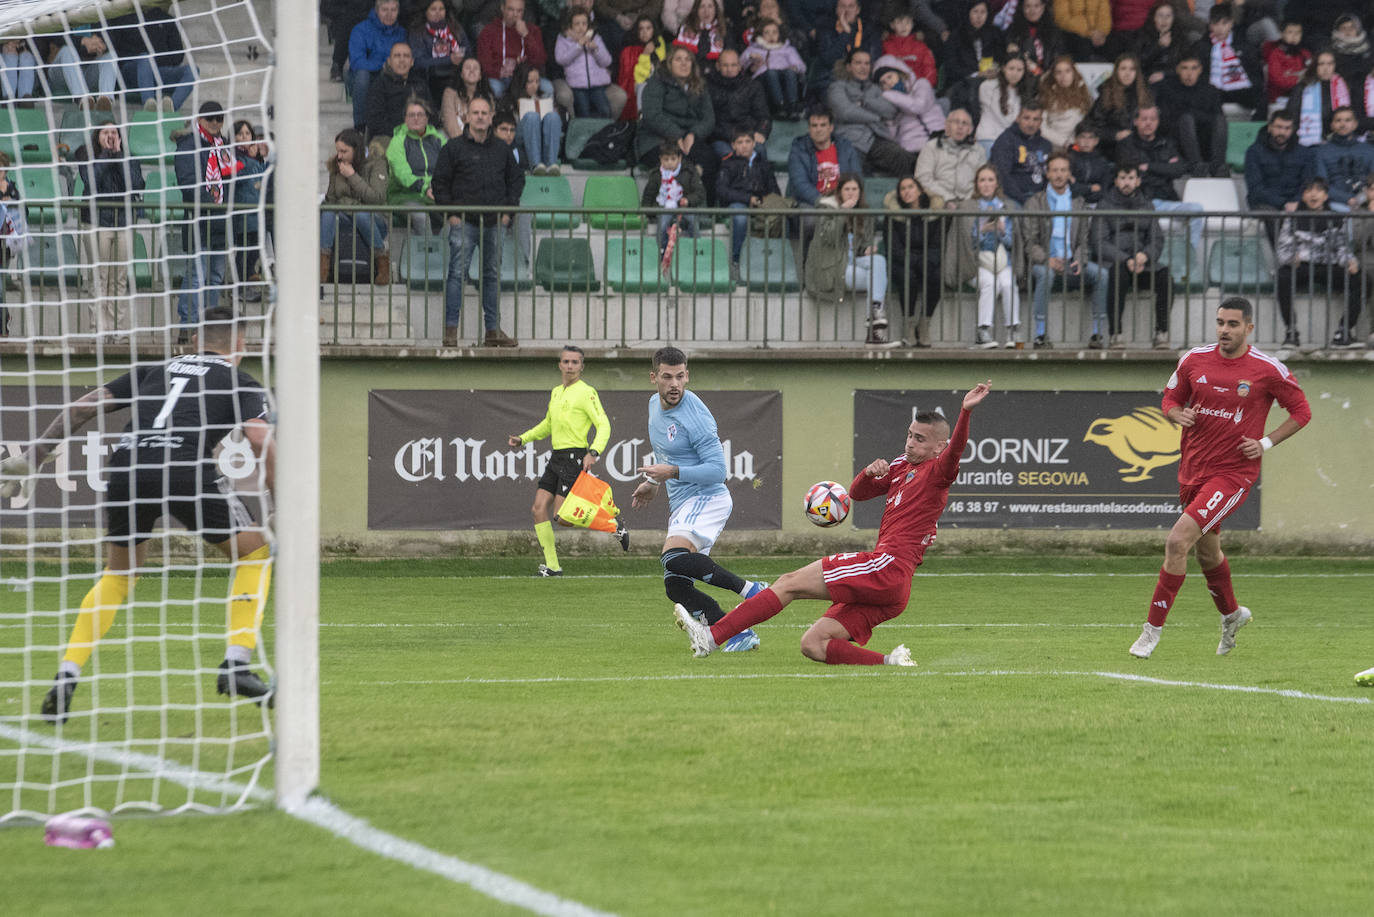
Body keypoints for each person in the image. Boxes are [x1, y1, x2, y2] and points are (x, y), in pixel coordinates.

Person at [0, 306, 277, 722]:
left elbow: (79, 409)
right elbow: (260, 439)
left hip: (128, 466)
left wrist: (33, 458)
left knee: (119, 575)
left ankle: (66, 675)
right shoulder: (240, 380)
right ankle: (236, 665)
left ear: (194, 340)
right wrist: (281, 505)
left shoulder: (153, 371)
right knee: (255, 553)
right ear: (240, 345)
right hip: (185, 467)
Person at [674, 381, 994, 666]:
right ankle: (892, 663)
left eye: (920, 439)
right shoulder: (900, 466)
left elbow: (955, 452)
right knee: (813, 645)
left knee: (788, 583)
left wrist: (965, 413)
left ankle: (712, 636)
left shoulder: (939, 471)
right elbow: (857, 493)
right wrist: (868, 473)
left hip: (886, 567)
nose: (910, 443)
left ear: (939, 447)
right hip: (895, 587)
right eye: (910, 435)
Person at [1128, 297, 1311, 659]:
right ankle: (1231, 616)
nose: (1224, 330)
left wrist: (1265, 442)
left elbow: (1301, 411)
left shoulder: (1267, 369)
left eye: (1232, 324)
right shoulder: (1194, 359)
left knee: (1177, 541)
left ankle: (1150, 633)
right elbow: (1170, 398)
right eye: (1220, 323)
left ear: (1249, 328)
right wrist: (1174, 415)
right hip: (1192, 470)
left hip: (1232, 474)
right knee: (1208, 554)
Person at [631, 346, 769, 654]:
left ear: (687, 376)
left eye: (680, 377)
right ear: (654, 378)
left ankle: (751, 590)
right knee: (676, 585)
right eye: (667, 377)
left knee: (673, 557)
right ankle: (737, 633)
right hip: (684, 502)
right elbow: (668, 454)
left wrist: (671, 472)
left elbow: (718, 471)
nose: (674, 384)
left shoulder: (695, 417)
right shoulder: (655, 404)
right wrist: (653, 482)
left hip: (707, 497)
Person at [508, 346, 628, 576]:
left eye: (575, 362)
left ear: (581, 367)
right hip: (557, 456)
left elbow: (603, 424)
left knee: (563, 517)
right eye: (566, 361)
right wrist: (523, 438)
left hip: (574, 456)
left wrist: (593, 452)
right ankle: (553, 566)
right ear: (560, 365)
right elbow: (548, 425)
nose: (570, 366)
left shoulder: (586, 392)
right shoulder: (556, 392)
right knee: (538, 509)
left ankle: (614, 525)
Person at [430, 94, 522, 348]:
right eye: (476, 113)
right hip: (464, 224)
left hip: (495, 223)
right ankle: (451, 333)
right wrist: (451, 214)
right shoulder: (453, 148)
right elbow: (439, 183)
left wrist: (508, 213)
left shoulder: (503, 150)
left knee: (491, 275)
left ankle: (492, 331)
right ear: (467, 117)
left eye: (485, 113)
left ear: (491, 117)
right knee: (456, 275)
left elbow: (516, 181)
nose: (480, 117)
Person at [1024, 152, 1109, 349]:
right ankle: (1040, 335)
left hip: (1071, 262)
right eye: (1055, 170)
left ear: (1069, 173)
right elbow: (1030, 242)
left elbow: (1083, 239)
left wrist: (1079, 258)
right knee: (1045, 274)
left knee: (1101, 275)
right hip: (1044, 262)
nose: (1059, 175)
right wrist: (1048, 259)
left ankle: (1097, 334)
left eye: (1063, 170)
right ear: (1047, 174)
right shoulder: (1035, 202)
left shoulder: (1078, 203)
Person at [174, 102, 242, 344]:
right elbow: (187, 182)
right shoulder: (188, 144)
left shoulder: (223, 147)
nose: (215, 123)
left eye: (219, 119)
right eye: (210, 119)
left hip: (220, 223)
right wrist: (212, 206)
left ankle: (209, 328)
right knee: (197, 275)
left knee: (214, 276)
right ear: (200, 119)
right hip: (199, 221)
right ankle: (188, 326)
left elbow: (233, 181)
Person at [803, 172, 894, 345]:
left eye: (855, 189)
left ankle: (874, 315)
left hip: (854, 261)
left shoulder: (864, 213)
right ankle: (875, 330)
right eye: (847, 189)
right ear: (839, 191)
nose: (851, 193)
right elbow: (829, 237)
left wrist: (868, 248)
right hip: (832, 266)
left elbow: (863, 244)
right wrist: (843, 213)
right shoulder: (827, 208)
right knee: (875, 277)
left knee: (879, 261)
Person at [1275, 177, 1364, 349]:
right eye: (1309, 191)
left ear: (1325, 196)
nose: (1313, 194)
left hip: (1329, 266)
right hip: (1302, 266)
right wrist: (1291, 258)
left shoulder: (1337, 219)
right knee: (1283, 276)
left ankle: (1343, 332)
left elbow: (1342, 247)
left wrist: (1350, 261)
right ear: (1303, 195)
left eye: (1318, 190)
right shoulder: (1293, 218)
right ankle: (1291, 332)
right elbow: (1283, 248)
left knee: (1360, 279)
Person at [76, 123, 144, 340]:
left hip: (123, 223)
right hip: (97, 223)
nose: (110, 135)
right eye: (105, 132)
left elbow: (135, 184)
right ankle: (99, 329)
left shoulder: (129, 158)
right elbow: (91, 182)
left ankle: (117, 330)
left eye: (114, 132)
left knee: (119, 280)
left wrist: (119, 156)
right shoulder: (87, 155)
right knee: (99, 278)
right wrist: (106, 155)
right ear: (97, 137)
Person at [1093, 162, 1171, 350]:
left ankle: (1161, 333)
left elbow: (1157, 239)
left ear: (1138, 181)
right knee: (1117, 274)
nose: (1126, 182)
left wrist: (1145, 255)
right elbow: (1099, 242)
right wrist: (1125, 259)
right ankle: (1115, 334)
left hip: (1143, 264)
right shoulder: (1104, 205)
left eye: (1130, 178)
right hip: (1117, 264)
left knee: (1165, 276)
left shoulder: (1147, 205)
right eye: (1122, 178)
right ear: (1116, 181)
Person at [948, 164, 1022, 348]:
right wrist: (982, 231)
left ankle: (1012, 331)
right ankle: (983, 331)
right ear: (976, 184)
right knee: (990, 283)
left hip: (1002, 260)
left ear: (997, 183)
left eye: (990, 180)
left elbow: (1014, 243)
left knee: (1008, 283)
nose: (986, 184)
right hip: (976, 262)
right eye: (982, 180)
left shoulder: (1007, 206)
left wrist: (1003, 232)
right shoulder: (967, 206)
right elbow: (965, 243)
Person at [1115, 104, 1204, 254]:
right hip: (1140, 203)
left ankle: (1189, 257)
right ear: (1135, 121)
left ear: (1158, 122)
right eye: (1144, 119)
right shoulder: (1126, 145)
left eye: (1153, 119)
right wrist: (1164, 169)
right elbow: (1131, 175)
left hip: (1167, 200)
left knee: (1196, 210)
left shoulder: (1166, 143)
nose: (1148, 123)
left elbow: (1180, 169)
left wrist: (1149, 167)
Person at [635, 47, 718, 199]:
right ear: (669, 63)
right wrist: (677, 135)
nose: (684, 64)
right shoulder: (656, 83)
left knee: (710, 160)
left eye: (688, 60)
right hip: (656, 139)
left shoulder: (700, 85)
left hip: (689, 139)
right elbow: (652, 115)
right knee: (678, 166)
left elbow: (709, 119)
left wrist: (693, 134)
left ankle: (706, 213)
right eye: (678, 59)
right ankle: (666, 215)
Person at [826, 48, 915, 178]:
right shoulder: (837, 87)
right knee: (852, 172)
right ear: (849, 67)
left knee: (905, 158)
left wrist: (863, 102)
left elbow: (890, 111)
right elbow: (845, 112)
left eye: (867, 63)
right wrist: (875, 117)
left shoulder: (876, 88)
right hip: (850, 139)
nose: (863, 67)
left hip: (876, 139)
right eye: (858, 63)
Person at [322, 128, 390, 286]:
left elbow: (377, 199)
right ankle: (323, 267)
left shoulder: (377, 164)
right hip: (344, 216)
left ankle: (382, 264)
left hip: (373, 218)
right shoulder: (337, 165)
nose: (339, 156)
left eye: (344, 151)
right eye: (338, 151)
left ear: (356, 149)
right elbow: (331, 199)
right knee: (328, 213)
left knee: (360, 214)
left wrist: (352, 176)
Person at [883, 175, 943, 347]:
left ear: (920, 190)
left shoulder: (933, 213)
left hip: (926, 259)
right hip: (902, 261)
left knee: (937, 276)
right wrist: (914, 261)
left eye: (910, 187)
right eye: (902, 189)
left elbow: (937, 245)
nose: (906, 191)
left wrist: (924, 262)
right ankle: (908, 326)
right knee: (908, 277)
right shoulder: (893, 215)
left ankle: (924, 323)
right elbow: (894, 247)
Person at [717, 126, 781, 278]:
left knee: (782, 219)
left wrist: (766, 199)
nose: (744, 145)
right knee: (740, 217)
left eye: (748, 141)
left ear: (754, 144)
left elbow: (775, 190)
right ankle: (736, 261)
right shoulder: (728, 164)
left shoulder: (763, 164)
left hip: (761, 205)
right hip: (738, 204)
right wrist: (747, 199)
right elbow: (722, 191)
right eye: (740, 142)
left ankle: (776, 261)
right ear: (733, 145)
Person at [106, 7, 198, 113]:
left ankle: (170, 109)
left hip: (158, 72)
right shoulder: (124, 17)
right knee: (145, 58)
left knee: (193, 70)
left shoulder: (168, 20)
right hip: (131, 72)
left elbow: (177, 56)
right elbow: (115, 50)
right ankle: (149, 106)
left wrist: (153, 60)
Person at [1244, 110, 1316, 243]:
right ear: (1270, 127)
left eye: (1287, 128)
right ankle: (1285, 259)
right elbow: (1256, 188)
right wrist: (1284, 204)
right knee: (1277, 218)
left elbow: (1308, 182)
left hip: (1296, 202)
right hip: (1264, 203)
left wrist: (1296, 201)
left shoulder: (1304, 153)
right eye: (1278, 127)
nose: (1282, 132)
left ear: (1293, 130)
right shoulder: (1254, 152)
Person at [1153, 52, 1228, 178]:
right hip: (1178, 144)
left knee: (1220, 120)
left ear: (1200, 70)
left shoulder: (1210, 90)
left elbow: (1217, 120)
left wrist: (1192, 114)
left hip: (1205, 143)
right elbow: (1166, 122)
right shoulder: (1166, 88)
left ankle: (1218, 166)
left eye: (1194, 68)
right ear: (1177, 69)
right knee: (1186, 119)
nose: (1189, 73)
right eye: (1184, 68)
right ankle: (1196, 166)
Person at [386, 97, 446, 236]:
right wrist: (426, 187)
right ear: (405, 119)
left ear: (427, 118)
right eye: (411, 115)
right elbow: (403, 174)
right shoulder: (397, 141)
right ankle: (428, 256)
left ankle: (446, 255)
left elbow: (449, 168)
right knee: (420, 216)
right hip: (404, 196)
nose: (416, 118)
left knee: (456, 216)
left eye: (420, 115)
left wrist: (438, 188)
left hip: (435, 194)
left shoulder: (439, 139)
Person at [1191, 2, 1262, 119]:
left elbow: (1255, 74)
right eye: (1216, 24)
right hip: (1213, 91)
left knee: (1262, 98)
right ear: (1210, 25)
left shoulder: (1244, 45)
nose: (1220, 28)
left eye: (1224, 23)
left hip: (1240, 90)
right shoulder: (1200, 47)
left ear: (1231, 23)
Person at [941, 0, 1004, 124]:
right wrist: (976, 74)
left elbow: (1002, 59)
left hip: (991, 80)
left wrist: (996, 70)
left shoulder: (995, 34)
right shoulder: (956, 36)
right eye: (975, 12)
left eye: (983, 12)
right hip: (961, 82)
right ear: (968, 13)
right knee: (973, 90)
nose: (979, 16)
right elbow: (951, 67)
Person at [348, 0, 407, 130]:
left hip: (391, 74)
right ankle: (360, 125)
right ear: (376, 11)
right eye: (385, 10)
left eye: (393, 10)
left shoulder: (401, 33)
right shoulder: (361, 30)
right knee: (363, 75)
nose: (389, 14)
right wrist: (383, 65)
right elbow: (357, 62)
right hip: (365, 77)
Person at [706, 49, 771, 161]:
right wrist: (735, 137)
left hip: (748, 136)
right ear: (717, 66)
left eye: (733, 65)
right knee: (730, 158)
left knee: (759, 151)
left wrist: (761, 132)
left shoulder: (753, 86)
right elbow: (708, 120)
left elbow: (764, 117)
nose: (729, 69)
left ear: (740, 66)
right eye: (725, 65)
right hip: (721, 138)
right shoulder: (708, 87)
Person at [914, 108, 985, 210]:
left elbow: (982, 180)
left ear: (970, 130)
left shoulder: (978, 151)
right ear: (947, 127)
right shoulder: (931, 147)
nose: (960, 127)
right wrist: (947, 198)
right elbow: (922, 179)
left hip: (969, 201)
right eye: (956, 122)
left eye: (964, 123)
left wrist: (968, 199)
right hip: (939, 199)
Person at [872, 55, 944, 154]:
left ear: (900, 73)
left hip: (934, 142)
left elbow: (918, 106)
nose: (888, 83)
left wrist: (888, 95)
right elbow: (892, 136)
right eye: (883, 83)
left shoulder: (921, 84)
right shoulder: (891, 103)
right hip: (908, 150)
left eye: (890, 77)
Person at [1086, 52, 1152, 159]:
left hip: (1142, 141)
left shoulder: (1145, 93)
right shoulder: (1106, 94)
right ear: (1116, 71)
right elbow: (1093, 126)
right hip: (1114, 145)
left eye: (1132, 69)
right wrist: (1115, 135)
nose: (1127, 73)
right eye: (1123, 69)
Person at [643, 139, 705, 253]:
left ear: (679, 158)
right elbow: (648, 197)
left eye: (673, 159)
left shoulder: (690, 171)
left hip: (685, 210)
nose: (670, 163)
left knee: (693, 221)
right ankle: (662, 255)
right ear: (660, 159)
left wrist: (688, 200)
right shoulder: (656, 175)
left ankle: (697, 253)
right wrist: (649, 213)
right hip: (664, 210)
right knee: (662, 226)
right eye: (666, 159)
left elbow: (700, 193)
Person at [477, 0, 548, 96]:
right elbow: (484, 64)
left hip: (527, 78)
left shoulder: (533, 30)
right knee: (495, 88)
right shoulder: (489, 31)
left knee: (548, 89)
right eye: (511, 9)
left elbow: (540, 60)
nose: (515, 14)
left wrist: (526, 35)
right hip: (500, 77)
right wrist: (500, 71)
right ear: (502, 8)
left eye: (519, 11)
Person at [739, 17, 807, 119]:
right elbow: (741, 64)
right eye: (767, 32)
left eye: (774, 32)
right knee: (771, 73)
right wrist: (751, 58)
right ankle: (779, 107)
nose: (771, 35)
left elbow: (801, 66)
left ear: (779, 34)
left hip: (784, 75)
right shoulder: (754, 48)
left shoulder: (787, 49)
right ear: (761, 34)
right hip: (764, 77)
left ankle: (793, 106)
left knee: (790, 72)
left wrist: (795, 67)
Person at [364, 41, 432, 140]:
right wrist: (401, 133)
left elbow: (432, 114)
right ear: (389, 61)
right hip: (389, 137)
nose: (402, 60)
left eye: (406, 56)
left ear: (412, 61)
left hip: (419, 135)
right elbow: (375, 120)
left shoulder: (420, 84)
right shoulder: (379, 85)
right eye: (397, 56)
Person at [813, 0, 880, 99]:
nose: (847, 10)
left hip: (863, 78)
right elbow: (828, 60)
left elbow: (873, 58)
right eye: (842, 6)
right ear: (836, 10)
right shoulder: (825, 29)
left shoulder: (869, 29)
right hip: (833, 77)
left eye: (851, 6)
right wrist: (846, 33)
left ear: (858, 10)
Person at [230, 121, 267, 301]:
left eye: (247, 133)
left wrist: (258, 159)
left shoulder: (255, 158)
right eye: (240, 134)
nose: (244, 137)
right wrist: (253, 161)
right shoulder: (233, 157)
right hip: (243, 212)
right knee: (244, 252)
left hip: (257, 213)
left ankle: (246, 286)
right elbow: (238, 177)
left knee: (255, 251)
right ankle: (239, 288)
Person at [555, 7, 614, 118]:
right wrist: (578, 46)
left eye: (584, 23)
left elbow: (607, 61)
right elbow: (561, 59)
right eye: (577, 24)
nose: (581, 27)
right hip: (578, 85)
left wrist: (595, 50)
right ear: (570, 25)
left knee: (605, 111)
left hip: (597, 85)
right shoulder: (564, 39)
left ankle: (604, 134)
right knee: (584, 113)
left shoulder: (595, 38)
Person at [1285, 50, 1352, 146]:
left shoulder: (1342, 86)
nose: (1326, 68)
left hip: (1336, 140)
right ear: (1315, 66)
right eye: (1321, 64)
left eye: (1330, 63)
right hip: (1304, 140)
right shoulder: (1303, 87)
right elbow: (1292, 115)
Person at [506, 62, 562, 175]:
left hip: (542, 137)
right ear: (521, 82)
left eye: (537, 81)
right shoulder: (509, 100)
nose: (534, 85)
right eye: (530, 82)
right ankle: (536, 165)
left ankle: (551, 164)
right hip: (521, 140)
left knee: (553, 117)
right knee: (532, 117)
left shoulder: (543, 97)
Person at [989, 103, 1051, 205]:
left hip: (1041, 198)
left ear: (1041, 122)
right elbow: (1002, 176)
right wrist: (1024, 200)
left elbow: (1050, 177)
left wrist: (1042, 198)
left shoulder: (1046, 145)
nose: (1031, 124)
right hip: (1013, 198)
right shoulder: (1006, 140)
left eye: (1036, 119)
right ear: (1018, 118)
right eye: (1026, 118)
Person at [409, 0, 469, 103]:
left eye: (441, 9)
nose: (438, 12)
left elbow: (468, 50)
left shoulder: (455, 27)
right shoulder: (418, 31)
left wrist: (461, 57)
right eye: (433, 9)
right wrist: (448, 60)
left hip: (456, 75)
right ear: (426, 12)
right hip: (431, 78)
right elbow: (418, 62)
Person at [1315, 107, 1374, 208]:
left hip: (1366, 201)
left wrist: (1363, 198)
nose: (1343, 124)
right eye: (1338, 120)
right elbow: (1321, 184)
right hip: (1334, 203)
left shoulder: (1369, 150)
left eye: (1348, 120)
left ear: (1355, 124)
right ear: (1332, 125)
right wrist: (1346, 199)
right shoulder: (1321, 151)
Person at [615, 15, 667, 121]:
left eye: (648, 28)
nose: (644, 32)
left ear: (654, 30)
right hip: (641, 85)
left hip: (660, 82)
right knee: (643, 87)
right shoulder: (630, 50)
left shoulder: (659, 45)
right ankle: (641, 121)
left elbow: (663, 69)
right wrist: (645, 55)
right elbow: (638, 78)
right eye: (641, 29)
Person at [52, 27, 117, 110]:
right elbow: (55, 38)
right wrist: (82, 41)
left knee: (111, 54)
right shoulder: (59, 14)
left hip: (89, 71)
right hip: (61, 73)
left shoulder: (99, 16)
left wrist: (102, 44)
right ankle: (82, 99)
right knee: (67, 50)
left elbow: (114, 36)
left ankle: (106, 100)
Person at [1038, 55, 1093, 150]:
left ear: (1074, 73)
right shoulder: (1046, 96)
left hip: (1080, 146)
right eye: (1058, 72)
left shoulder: (1084, 93)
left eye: (1067, 71)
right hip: (1055, 147)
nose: (1063, 76)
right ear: (1053, 76)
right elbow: (1040, 126)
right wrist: (1064, 142)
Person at [1137, 0, 1198, 85]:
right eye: (1160, 15)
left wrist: (1165, 74)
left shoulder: (1181, 37)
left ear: (1173, 18)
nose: (1164, 20)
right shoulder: (1143, 35)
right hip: (1149, 81)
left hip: (1173, 80)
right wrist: (1158, 46)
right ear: (1153, 18)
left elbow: (1187, 64)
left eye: (1168, 16)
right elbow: (1139, 63)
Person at [975, 57, 1030, 149]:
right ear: (1003, 68)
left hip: (1010, 141)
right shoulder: (989, 86)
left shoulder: (1020, 92)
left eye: (1019, 70)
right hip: (989, 138)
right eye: (1011, 68)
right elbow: (1004, 119)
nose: (1015, 73)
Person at [1004, 0, 1066, 79]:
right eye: (1027, 6)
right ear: (1022, 8)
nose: (1032, 10)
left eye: (1036, 6)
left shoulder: (1054, 31)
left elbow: (1058, 57)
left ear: (1043, 7)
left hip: (1049, 78)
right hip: (1022, 78)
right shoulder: (1013, 31)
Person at [440, 56, 494, 138]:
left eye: (475, 68)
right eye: (468, 68)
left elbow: (490, 123)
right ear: (461, 74)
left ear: (480, 76)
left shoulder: (487, 96)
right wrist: (465, 146)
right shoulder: (450, 94)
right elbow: (450, 123)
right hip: (456, 141)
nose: (472, 71)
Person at [881, 8, 936, 88]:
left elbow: (929, 68)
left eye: (907, 22)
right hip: (894, 86)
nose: (904, 26)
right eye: (899, 22)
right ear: (892, 25)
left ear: (912, 24)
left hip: (918, 86)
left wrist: (926, 85)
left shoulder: (920, 45)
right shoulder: (886, 45)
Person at [1261, 19, 1310, 106]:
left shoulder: (1305, 54)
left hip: (1303, 98)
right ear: (1282, 34)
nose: (1294, 36)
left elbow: (1312, 75)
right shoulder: (1275, 54)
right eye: (1290, 32)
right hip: (1279, 99)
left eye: (1298, 33)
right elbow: (1278, 81)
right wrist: (1299, 78)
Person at [1067, 120, 1112, 204]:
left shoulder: (1103, 162)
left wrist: (1079, 186)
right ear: (1076, 139)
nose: (1086, 141)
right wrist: (1090, 188)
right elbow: (1069, 188)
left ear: (1096, 141)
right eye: (1082, 137)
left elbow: (1104, 189)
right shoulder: (1068, 160)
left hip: (1096, 204)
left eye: (1091, 137)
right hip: (1072, 203)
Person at [672, 0, 726, 69]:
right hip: (692, 72)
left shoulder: (724, 30)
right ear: (696, 10)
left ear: (716, 10)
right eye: (702, 7)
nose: (706, 11)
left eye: (710, 6)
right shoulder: (686, 30)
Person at [0, 38, 37, 103]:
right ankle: (8, 100)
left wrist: (23, 47)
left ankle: (25, 100)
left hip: (28, 50)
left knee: (27, 57)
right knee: (10, 56)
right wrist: (5, 43)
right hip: (4, 47)